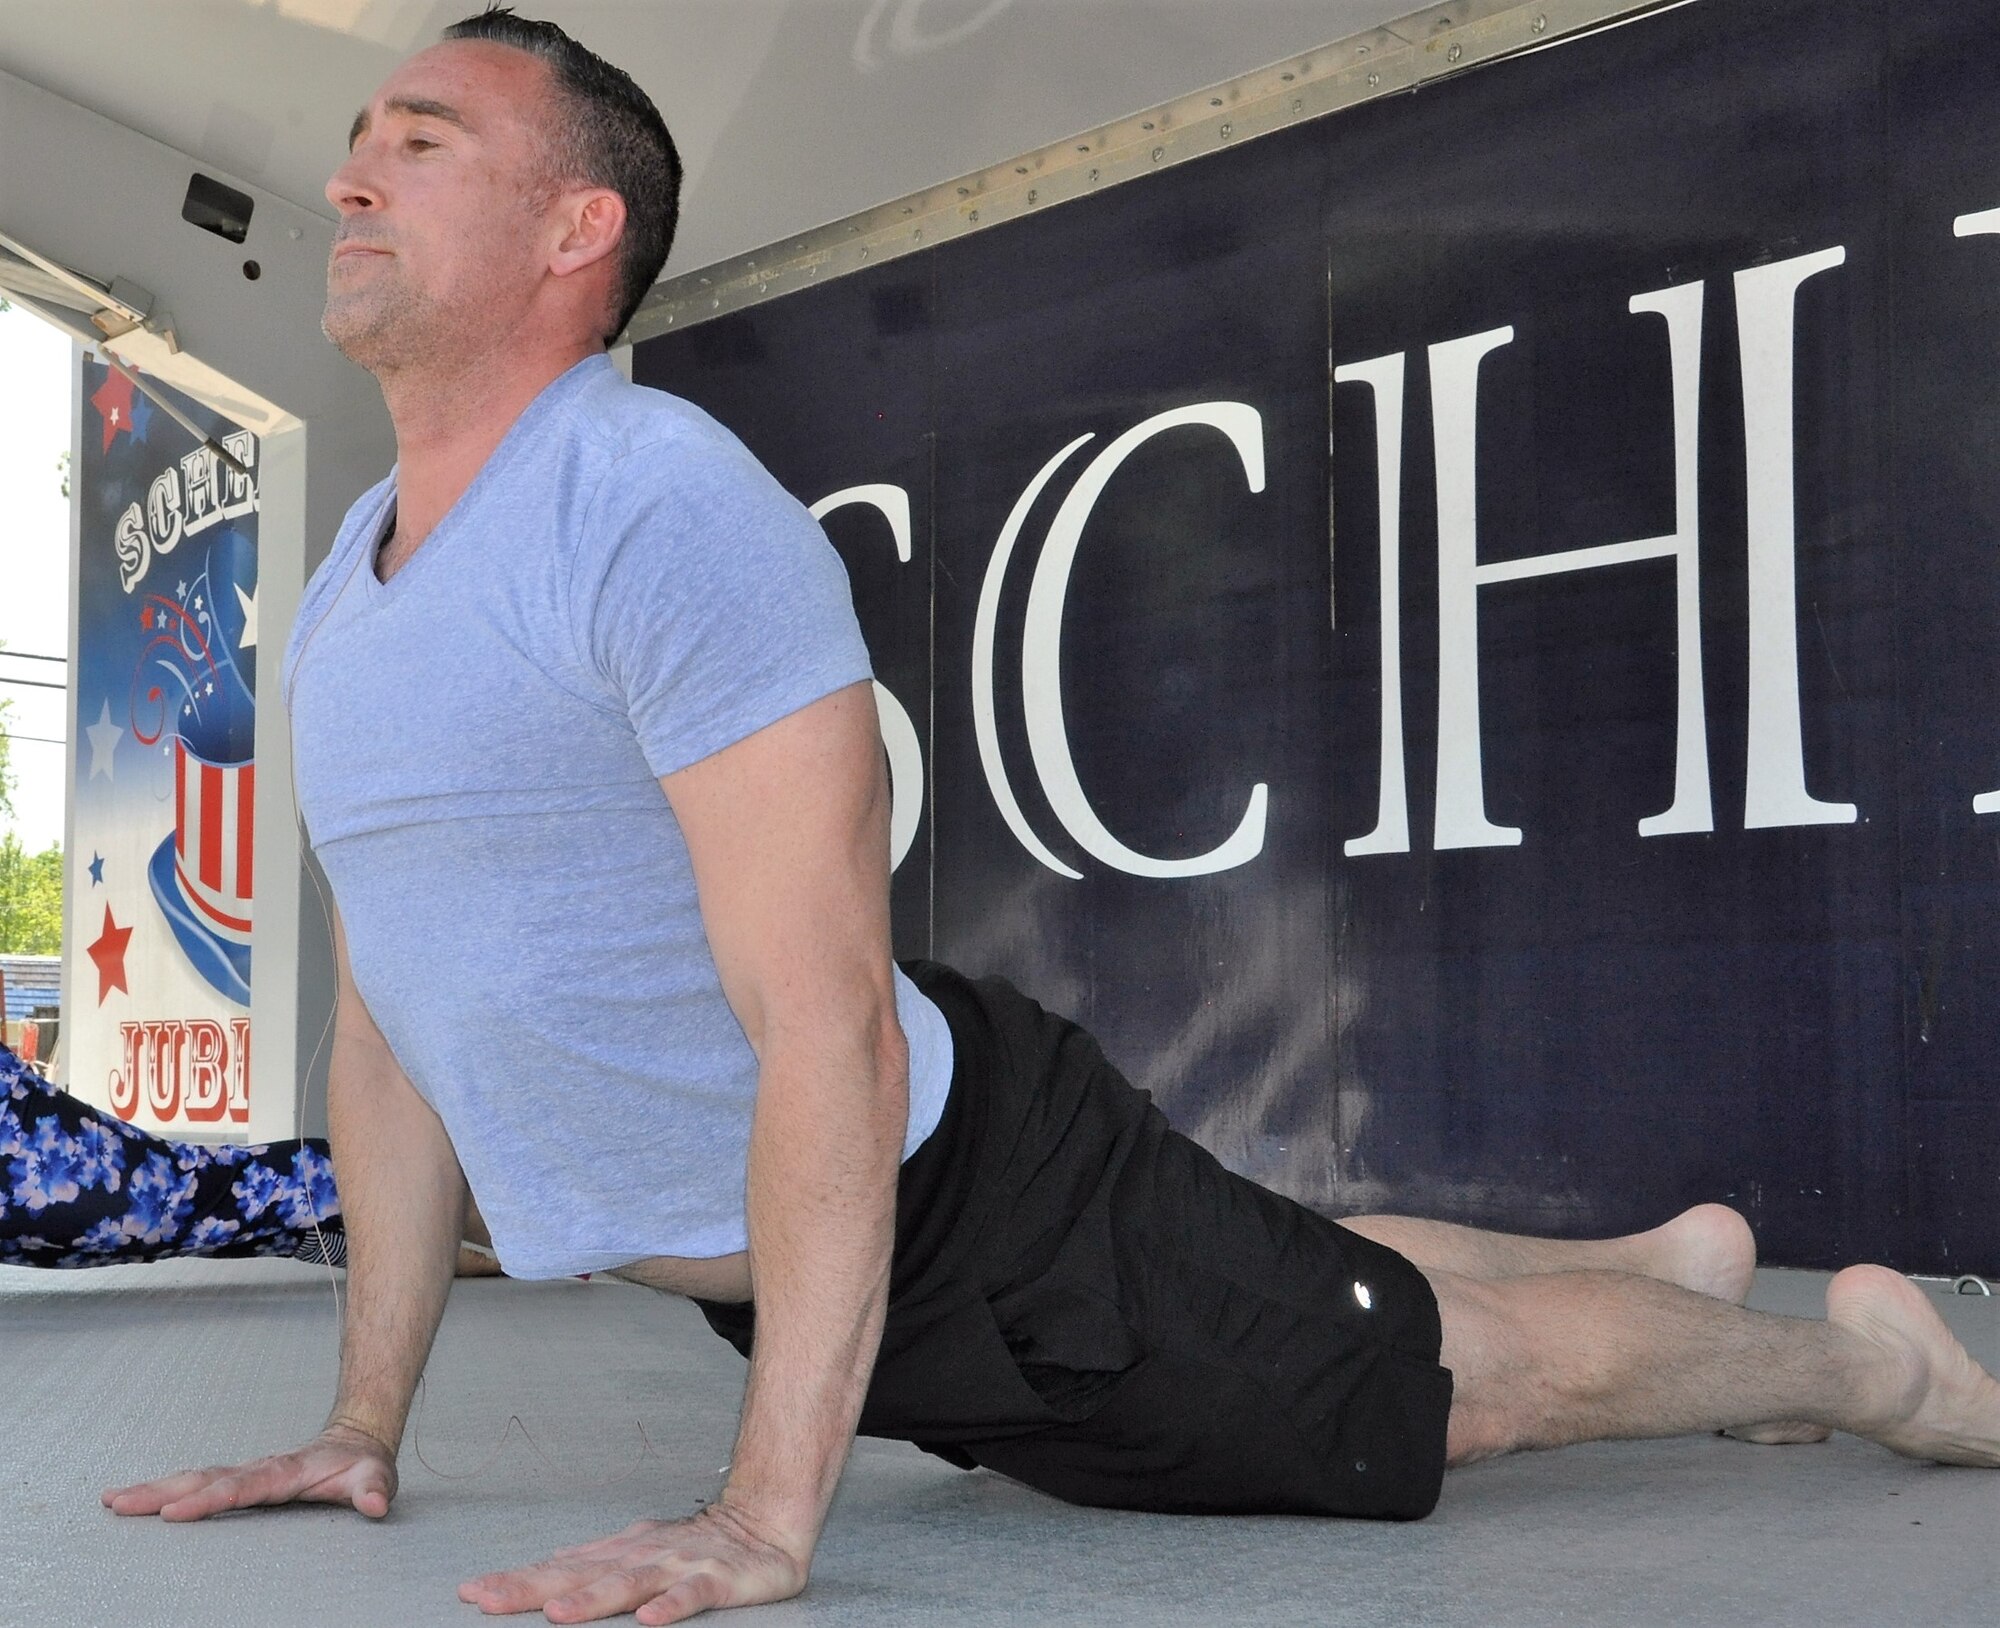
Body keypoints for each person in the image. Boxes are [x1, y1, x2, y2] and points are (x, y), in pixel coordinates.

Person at [101, 10, 2000, 1626]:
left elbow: (827, 1028)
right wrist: (364, 1430)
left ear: (575, 229)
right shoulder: (354, 588)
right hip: (841, 1240)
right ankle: (1656, 1272)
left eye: (419, 143)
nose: (351, 178)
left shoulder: (655, 507)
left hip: (956, 1205)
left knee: (1438, 1393)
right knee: (1272, 1258)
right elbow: (389, 1030)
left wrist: (768, 1517)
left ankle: (1873, 1370)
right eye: (356, 141)